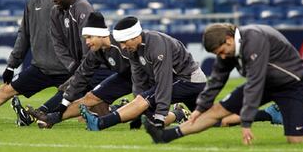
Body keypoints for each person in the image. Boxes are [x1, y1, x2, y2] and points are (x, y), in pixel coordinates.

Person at [144, 23, 303, 144]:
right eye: (218, 54)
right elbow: (216, 80)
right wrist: (200, 108)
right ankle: (166, 136)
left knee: (296, 139)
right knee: (217, 111)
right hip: (265, 82)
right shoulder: (229, 49)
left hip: (290, 83)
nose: (222, 56)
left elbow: (255, 83)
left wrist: (247, 123)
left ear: (229, 39)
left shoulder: (254, 39)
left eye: (222, 51)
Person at [26, 12, 188, 128]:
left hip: (147, 78)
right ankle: (53, 119)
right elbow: (79, 79)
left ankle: (178, 113)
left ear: (101, 35)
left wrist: (143, 100)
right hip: (125, 77)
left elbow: (153, 69)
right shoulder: (95, 53)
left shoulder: (123, 45)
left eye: (89, 37)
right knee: (90, 97)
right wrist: (61, 108)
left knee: (148, 120)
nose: (87, 42)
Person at [79, 16, 207, 131]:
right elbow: (138, 79)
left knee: (145, 102)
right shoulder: (133, 49)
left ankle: (100, 123)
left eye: (124, 42)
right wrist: (139, 114)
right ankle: (179, 114)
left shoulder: (156, 45)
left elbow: (164, 81)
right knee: (211, 120)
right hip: (180, 81)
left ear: (135, 36)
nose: (122, 47)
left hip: (188, 80)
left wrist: (160, 116)